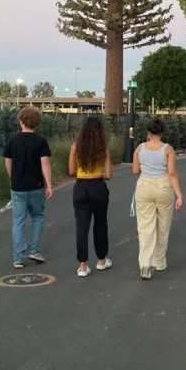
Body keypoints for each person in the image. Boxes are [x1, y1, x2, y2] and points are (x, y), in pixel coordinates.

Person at [132, 118, 183, 280]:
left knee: (145, 227)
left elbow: (135, 170)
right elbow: (172, 173)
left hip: (144, 185)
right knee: (163, 226)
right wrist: (179, 194)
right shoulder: (168, 149)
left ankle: (145, 264)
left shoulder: (139, 149)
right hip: (163, 186)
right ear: (162, 132)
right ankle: (159, 261)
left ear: (148, 133)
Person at [3, 106, 53, 269]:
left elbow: (7, 161)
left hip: (17, 187)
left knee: (18, 221)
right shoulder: (40, 141)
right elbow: (44, 162)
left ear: (21, 121)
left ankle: (18, 258)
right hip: (36, 185)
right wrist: (49, 184)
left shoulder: (13, 140)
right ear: (37, 123)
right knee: (38, 216)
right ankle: (34, 249)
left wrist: (13, 178)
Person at [68, 116, 112, 277]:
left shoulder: (76, 147)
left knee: (82, 226)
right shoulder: (103, 148)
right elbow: (108, 174)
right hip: (98, 186)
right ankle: (101, 260)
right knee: (100, 224)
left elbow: (71, 171)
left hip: (81, 187)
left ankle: (82, 265)